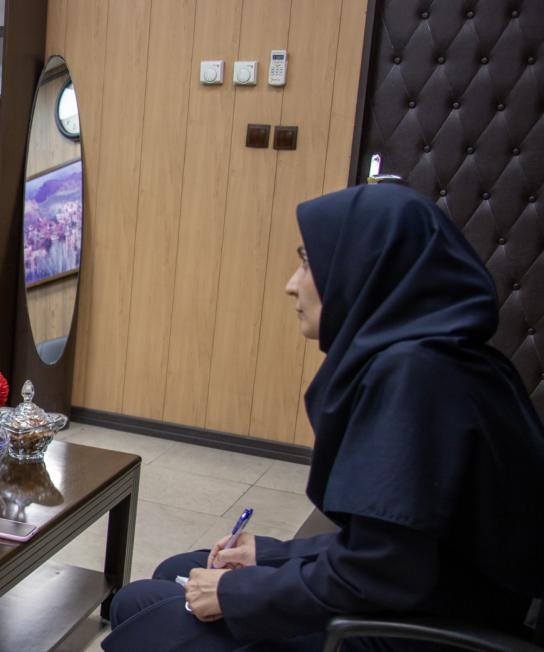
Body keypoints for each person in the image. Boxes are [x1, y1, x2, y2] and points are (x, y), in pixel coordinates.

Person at [102, 183, 544, 650]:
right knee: (176, 573)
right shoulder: (449, 357)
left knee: (142, 604)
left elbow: (381, 572)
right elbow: (396, 539)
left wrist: (237, 594)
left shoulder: (414, 376)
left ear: (364, 269)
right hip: (433, 599)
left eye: (309, 263)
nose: (292, 284)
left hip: (421, 631)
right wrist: (269, 556)